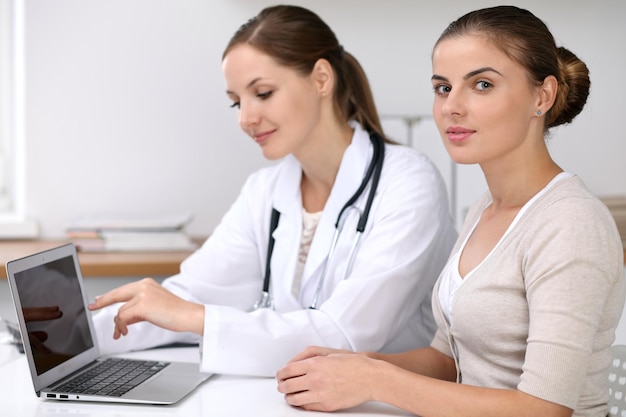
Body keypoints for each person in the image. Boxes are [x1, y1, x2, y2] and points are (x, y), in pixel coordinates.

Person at [276, 5, 625, 417]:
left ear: (542, 95)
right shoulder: (485, 209)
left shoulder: (570, 223)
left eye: (481, 84)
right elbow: (450, 361)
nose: (451, 107)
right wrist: (358, 365)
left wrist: (376, 381)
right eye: (443, 88)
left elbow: (543, 409)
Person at [88, 5, 457, 377]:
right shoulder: (264, 191)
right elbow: (191, 294)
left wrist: (194, 316)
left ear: (321, 79)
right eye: (236, 101)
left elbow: (343, 337)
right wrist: (64, 337)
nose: (245, 118)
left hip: (387, 404)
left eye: (262, 93)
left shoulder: (408, 183)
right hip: (294, 396)